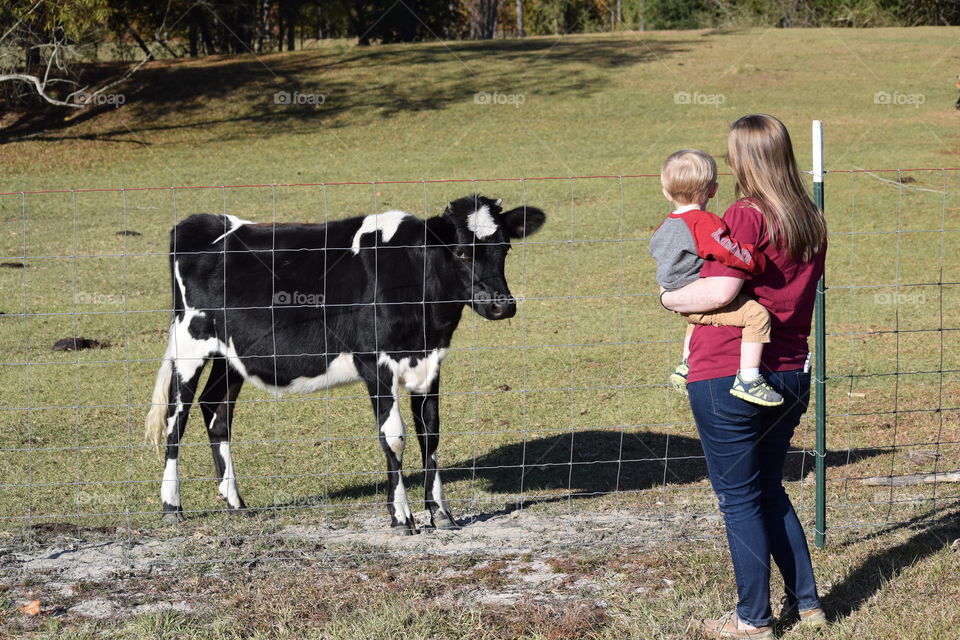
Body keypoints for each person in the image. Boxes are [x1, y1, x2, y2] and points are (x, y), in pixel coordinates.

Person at [660, 114, 828, 639]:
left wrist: (668, 298)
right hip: (790, 372)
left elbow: (719, 292)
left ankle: (753, 619)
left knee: (739, 500)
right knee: (769, 490)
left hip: (729, 373)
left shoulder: (745, 214)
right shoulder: (810, 218)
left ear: (742, 159)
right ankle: (809, 606)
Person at [650, 148, 782, 407]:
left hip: (676, 294)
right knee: (757, 316)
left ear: (666, 192)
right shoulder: (703, 222)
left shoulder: (664, 225)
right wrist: (756, 260)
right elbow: (726, 249)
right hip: (697, 290)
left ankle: (686, 364)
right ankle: (749, 378)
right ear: (713, 190)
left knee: (696, 321)